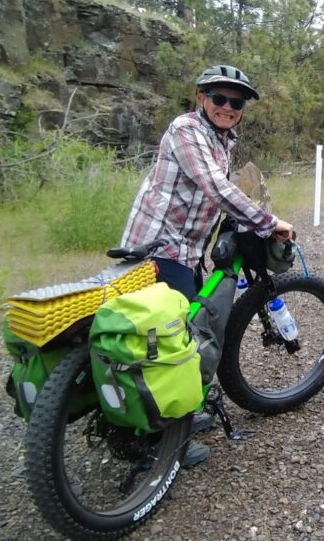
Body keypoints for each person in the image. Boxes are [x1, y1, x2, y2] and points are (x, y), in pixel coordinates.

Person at [120, 64, 293, 466]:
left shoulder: (223, 139)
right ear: (202, 98)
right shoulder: (186, 130)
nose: (228, 107)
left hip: (187, 250)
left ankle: (177, 410)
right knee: (166, 343)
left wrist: (236, 219)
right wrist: (268, 223)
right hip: (158, 246)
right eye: (219, 98)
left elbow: (211, 192)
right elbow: (215, 185)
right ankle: (147, 444)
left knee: (188, 328)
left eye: (236, 102)